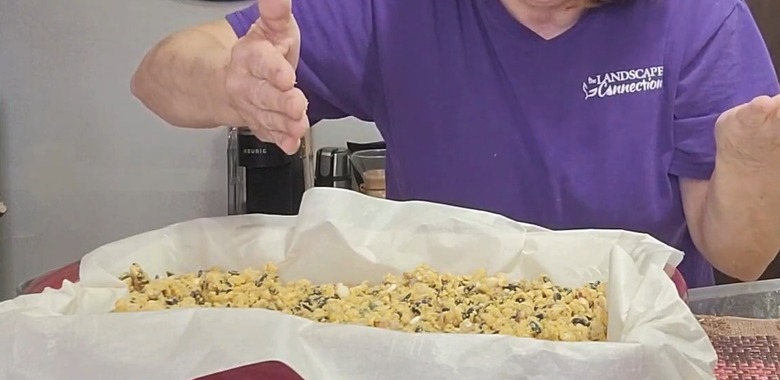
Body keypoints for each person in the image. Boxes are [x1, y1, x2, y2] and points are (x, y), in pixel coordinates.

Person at [131, 0, 780, 288]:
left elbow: (742, 258)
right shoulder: (395, 11)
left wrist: (752, 163)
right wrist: (231, 81)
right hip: (450, 341)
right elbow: (158, 75)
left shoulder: (701, 17)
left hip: (641, 353)